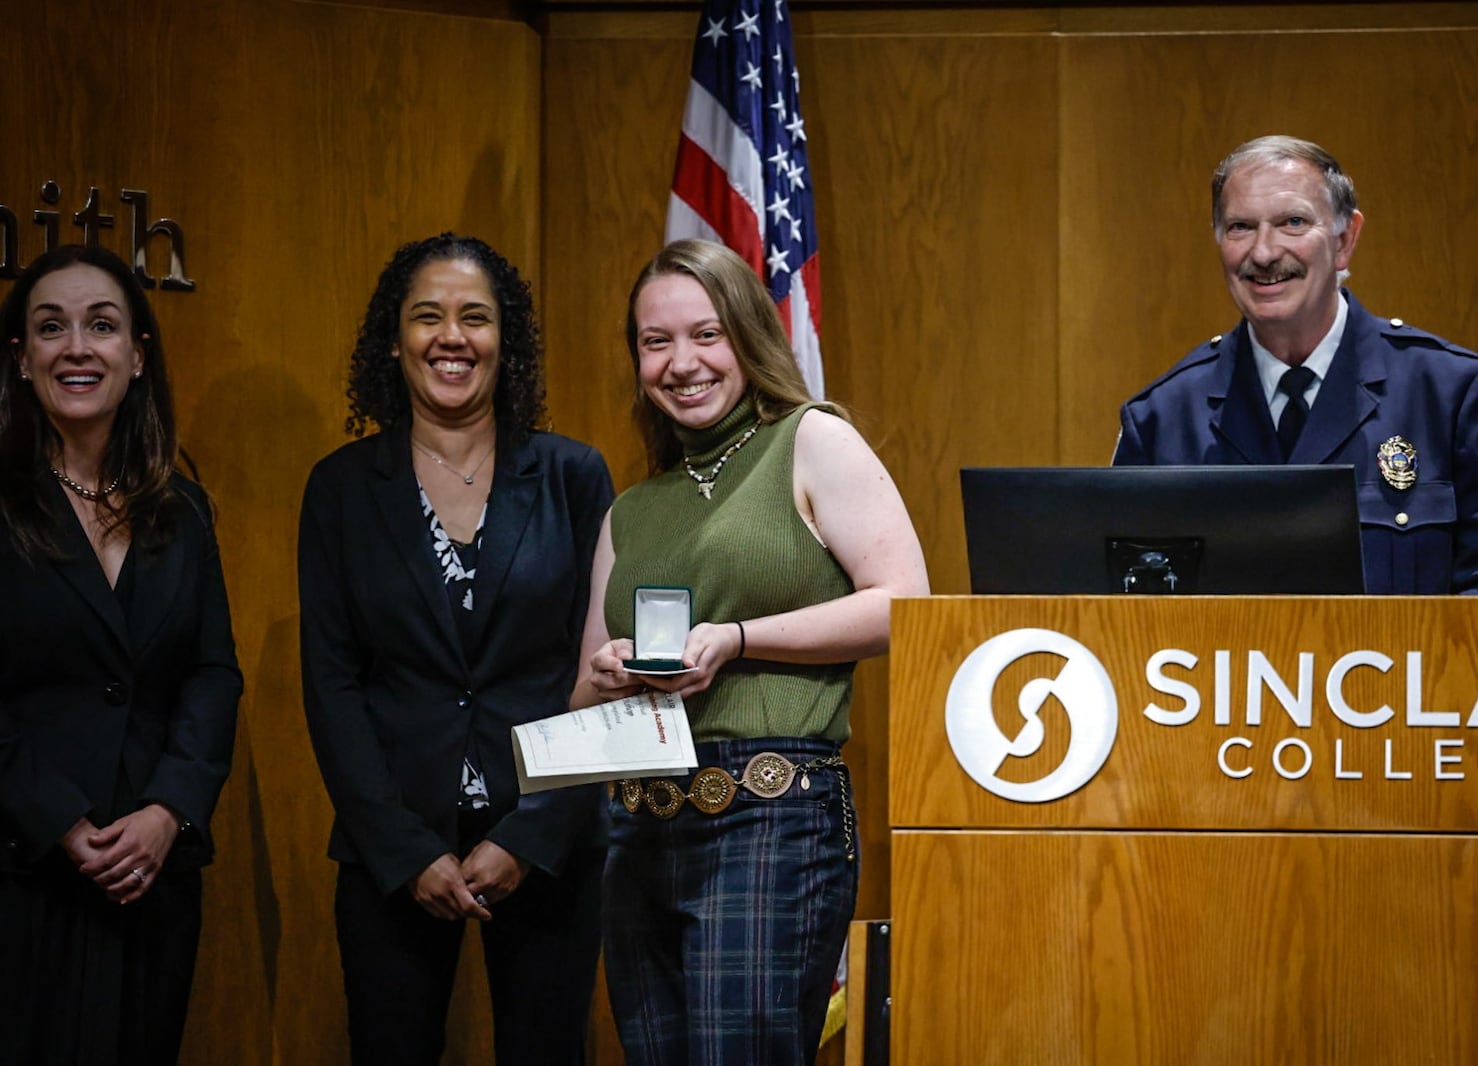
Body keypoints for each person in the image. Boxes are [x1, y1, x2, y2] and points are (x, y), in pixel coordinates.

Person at [571, 238, 929, 1064]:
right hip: (639, 830)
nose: (681, 362)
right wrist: (603, 676)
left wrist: (737, 641)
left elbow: (906, 604)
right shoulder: (631, 510)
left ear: (748, 337)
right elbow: (584, 703)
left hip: (772, 821)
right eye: (655, 342)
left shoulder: (810, 440)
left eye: (706, 335)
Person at [298, 234, 613, 1065]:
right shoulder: (339, 488)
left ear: (504, 341)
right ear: (392, 338)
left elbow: (599, 672)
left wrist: (530, 836)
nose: (452, 337)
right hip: (393, 851)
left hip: (548, 844)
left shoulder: (574, 477)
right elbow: (332, 683)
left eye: (476, 317)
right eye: (427, 316)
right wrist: (404, 851)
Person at [1113, 135, 1478, 594]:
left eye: (1293, 222)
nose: (1263, 253)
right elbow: (1127, 611)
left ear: (1345, 240)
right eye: (1240, 227)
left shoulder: (1451, 394)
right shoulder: (1161, 419)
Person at [0, 244, 242, 1064]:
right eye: (50, 328)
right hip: (23, 870)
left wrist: (168, 810)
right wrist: (58, 819)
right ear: (21, 357)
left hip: (153, 874)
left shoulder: (185, 507)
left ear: (137, 356)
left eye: (102, 326)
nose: (77, 347)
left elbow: (213, 674)